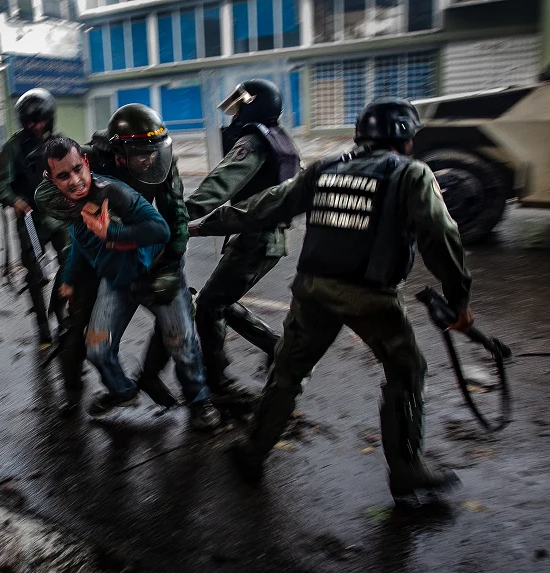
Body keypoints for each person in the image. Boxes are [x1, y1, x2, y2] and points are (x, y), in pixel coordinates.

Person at [192, 97, 473, 502]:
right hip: (369, 295)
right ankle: (407, 469)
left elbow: (264, 207)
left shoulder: (328, 167)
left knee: (288, 371)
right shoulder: (412, 174)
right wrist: (459, 301)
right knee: (407, 370)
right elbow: (441, 237)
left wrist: (201, 225)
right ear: (405, 137)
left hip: (312, 289)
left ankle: (253, 451)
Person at [35, 136, 220, 431]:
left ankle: (200, 401)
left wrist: (113, 235)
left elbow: (159, 229)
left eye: (77, 169)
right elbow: (81, 246)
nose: (74, 180)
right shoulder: (68, 206)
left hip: (154, 273)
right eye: (63, 176)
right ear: (51, 179)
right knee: (97, 348)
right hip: (118, 282)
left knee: (181, 343)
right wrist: (69, 280)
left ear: (85, 162)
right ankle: (122, 392)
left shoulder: (113, 192)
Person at [183, 79, 301, 399]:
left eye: (239, 106)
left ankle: (218, 382)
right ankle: (276, 348)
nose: (233, 114)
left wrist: (179, 216)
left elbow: (220, 184)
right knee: (221, 300)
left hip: (256, 237)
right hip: (266, 237)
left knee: (209, 305)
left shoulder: (253, 142)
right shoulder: (279, 138)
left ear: (253, 106)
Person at [0, 88, 70, 347]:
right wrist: (15, 201)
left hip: (59, 218)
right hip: (31, 221)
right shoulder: (13, 147)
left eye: (40, 120)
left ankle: (59, 310)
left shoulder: (59, 143)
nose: (35, 126)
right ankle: (42, 324)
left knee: (71, 264)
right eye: (29, 122)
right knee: (36, 274)